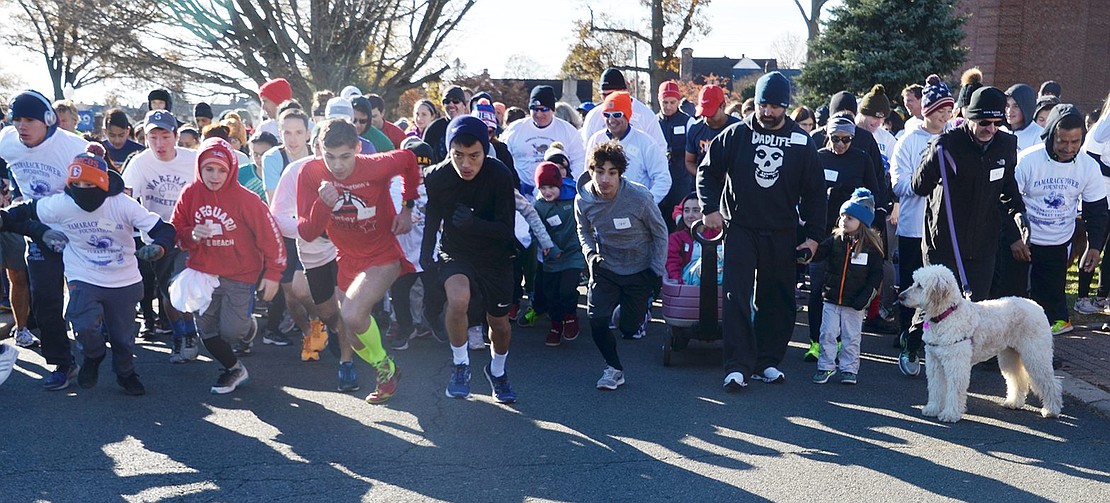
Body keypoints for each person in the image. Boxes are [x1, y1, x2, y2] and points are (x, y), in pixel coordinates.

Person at [1, 144, 176, 395]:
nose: (83, 191)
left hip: (123, 278)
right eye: (77, 185)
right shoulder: (61, 203)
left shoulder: (122, 204)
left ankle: (126, 374)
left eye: (89, 185)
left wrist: (160, 247)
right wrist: (4, 218)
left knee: (122, 337)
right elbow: (23, 212)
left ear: (103, 184)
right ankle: (93, 356)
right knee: (83, 325)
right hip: (83, 275)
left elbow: (163, 229)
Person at [697, 72, 826, 389]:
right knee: (736, 295)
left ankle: (767, 361)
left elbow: (815, 192)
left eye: (775, 107)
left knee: (779, 298)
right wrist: (710, 209)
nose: (768, 112)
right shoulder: (736, 134)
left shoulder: (800, 141)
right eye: (763, 104)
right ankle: (737, 365)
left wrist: (813, 236)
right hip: (740, 227)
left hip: (782, 230)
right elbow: (708, 172)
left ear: (787, 106)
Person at [297, 119, 418, 403]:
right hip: (347, 259)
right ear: (319, 150)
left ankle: (385, 369)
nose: (337, 166)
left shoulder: (376, 165)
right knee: (349, 332)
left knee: (352, 314)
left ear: (358, 148)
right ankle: (386, 368)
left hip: (383, 254)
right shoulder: (311, 172)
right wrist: (322, 204)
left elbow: (410, 160)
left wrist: (407, 208)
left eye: (345, 157)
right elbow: (307, 231)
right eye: (330, 157)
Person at [171, 138, 285, 394]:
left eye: (222, 169)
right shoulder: (190, 193)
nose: (215, 176)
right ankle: (233, 368)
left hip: (240, 274)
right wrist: (191, 234)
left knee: (231, 330)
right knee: (207, 331)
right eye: (209, 168)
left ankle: (247, 329)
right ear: (199, 167)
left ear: (231, 169)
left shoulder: (247, 199)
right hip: (204, 272)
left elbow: (271, 235)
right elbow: (176, 229)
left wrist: (274, 274)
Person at [422, 115, 518, 403]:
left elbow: (506, 230)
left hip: (495, 255)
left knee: (498, 324)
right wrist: (425, 255)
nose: (466, 164)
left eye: (474, 156)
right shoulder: (437, 177)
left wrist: (474, 223)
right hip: (457, 251)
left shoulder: (500, 174)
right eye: (458, 155)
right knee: (459, 299)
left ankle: (497, 371)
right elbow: (431, 220)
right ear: (448, 150)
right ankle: (461, 364)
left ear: (485, 151)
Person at [0, 90, 90, 390]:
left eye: (29, 120)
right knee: (46, 298)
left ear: (49, 121)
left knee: (87, 297)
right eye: (17, 120)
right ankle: (63, 362)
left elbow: (106, 189)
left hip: (79, 226)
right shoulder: (8, 140)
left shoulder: (75, 146)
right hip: (36, 224)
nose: (22, 126)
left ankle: (100, 342)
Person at [911, 86, 1026, 304]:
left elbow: (1008, 188)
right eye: (984, 122)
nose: (991, 129)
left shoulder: (1006, 145)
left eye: (997, 123)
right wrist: (932, 159)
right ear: (968, 117)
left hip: (983, 246)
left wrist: (1019, 212)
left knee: (974, 311)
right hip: (945, 243)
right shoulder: (947, 144)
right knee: (936, 309)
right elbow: (919, 188)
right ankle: (914, 337)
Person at [577, 141, 667, 389]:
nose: (605, 179)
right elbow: (582, 230)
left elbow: (660, 233)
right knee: (596, 320)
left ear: (620, 174)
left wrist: (656, 271)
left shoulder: (639, 197)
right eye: (599, 171)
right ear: (592, 170)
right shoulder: (583, 199)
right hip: (606, 266)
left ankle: (627, 312)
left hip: (639, 268)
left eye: (612, 173)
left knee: (629, 327)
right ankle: (614, 369)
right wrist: (590, 254)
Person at [1013, 104, 1107, 335]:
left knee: (1051, 312)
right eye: (1063, 141)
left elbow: (1096, 210)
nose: (1069, 148)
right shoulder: (1027, 160)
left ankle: (1042, 353)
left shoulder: (1088, 166)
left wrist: (1094, 246)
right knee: (1015, 302)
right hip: (1023, 243)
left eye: (1075, 142)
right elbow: (1007, 202)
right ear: (1050, 134)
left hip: (1057, 243)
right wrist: (1015, 238)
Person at [122, 109, 201, 363]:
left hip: (188, 235)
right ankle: (180, 334)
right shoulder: (140, 163)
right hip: (156, 238)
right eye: (152, 137)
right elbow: (125, 198)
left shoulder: (193, 160)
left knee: (182, 286)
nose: (159, 144)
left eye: (165, 136)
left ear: (176, 136)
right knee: (168, 292)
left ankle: (190, 334)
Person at [890, 74, 953, 376]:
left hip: (944, 230)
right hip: (914, 227)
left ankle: (937, 340)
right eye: (940, 108)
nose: (945, 114)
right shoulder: (907, 141)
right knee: (912, 290)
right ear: (927, 110)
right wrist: (924, 183)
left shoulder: (955, 137)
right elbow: (898, 183)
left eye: (949, 108)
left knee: (938, 291)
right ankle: (909, 340)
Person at [802, 116, 879, 362]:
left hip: (851, 234)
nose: (841, 144)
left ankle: (844, 346)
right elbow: (804, 190)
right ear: (828, 136)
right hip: (822, 232)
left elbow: (874, 193)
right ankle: (816, 341)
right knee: (817, 290)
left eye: (846, 139)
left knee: (846, 288)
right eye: (836, 139)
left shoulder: (861, 159)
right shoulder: (819, 156)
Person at [811, 188, 883, 385]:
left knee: (851, 337)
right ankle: (825, 366)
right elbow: (818, 254)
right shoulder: (834, 241)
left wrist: (865, 298)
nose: (844, 220)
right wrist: (807, 251)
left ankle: (849, 369)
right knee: (827, 333)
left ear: (862, 222)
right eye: (843, 216)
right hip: (832, 299)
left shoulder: (871, 247)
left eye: (850, 217)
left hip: (854, 303)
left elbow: (876, 275)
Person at [584, 91, 671, 205]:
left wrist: (646, 204)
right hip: (602, 209)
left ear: (627, 115)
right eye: (607, 115)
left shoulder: (645, 142)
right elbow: (587, 175)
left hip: (636, 210)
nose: (611, 119)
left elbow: (663, 178)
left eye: (617, 114)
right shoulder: (596, 139)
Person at [502, 85, 586, 198]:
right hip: (522, 191)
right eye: (535, 109)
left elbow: (579, 162)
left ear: (552, 109)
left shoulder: (568, 131)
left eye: (544, 109)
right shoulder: (515, 129)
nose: (539, 114)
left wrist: (565, 185)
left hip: (557, 193)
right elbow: (503, 158)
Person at [533, 161, 583, 347]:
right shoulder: (538, 206)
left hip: (573, 254)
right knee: (551, 294)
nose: (547, 192)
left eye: (552, 187)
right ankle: (556, 325)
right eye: (543, 187)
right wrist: (551, 249)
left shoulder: (573, 199)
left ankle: (570, 316)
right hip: (552, 257)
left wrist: (578, 247)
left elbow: (581, 226)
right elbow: (537, 230)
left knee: (567, 290)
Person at [580, 68, 667, 150]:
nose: (608, 99)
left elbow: (659, 148)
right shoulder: (593, 116)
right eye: (604, 95)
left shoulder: (645, 115)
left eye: (611, 94)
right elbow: (585, 151)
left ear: (625, 91)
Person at [685, 85, 740, 193]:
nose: (707, 118)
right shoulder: (695, 129)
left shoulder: (738, 129)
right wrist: (703, 175)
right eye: (703, 114)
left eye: (711, 113)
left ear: (723, 106)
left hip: (731, 189)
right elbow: (689, 161)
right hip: (704, 189)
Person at [658, 81, 695, 233]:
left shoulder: (688, 121)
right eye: (664, 102)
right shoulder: (653, 122)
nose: (668, 107)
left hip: (681, 180)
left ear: (678, 101)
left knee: (679, 223)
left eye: (672, 102)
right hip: (659, 179)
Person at [665, 192, 721, 285]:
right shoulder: (676, 238)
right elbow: (672, 264)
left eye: (695, 210)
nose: (690, 215)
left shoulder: (718, 235)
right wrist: (679, 284)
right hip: (687, 286)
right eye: (686, 210)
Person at [422, 86, 468, 163]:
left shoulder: (471, 126)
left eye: (456, 101)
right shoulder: (434, 128)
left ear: (464, 105)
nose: (451, 105)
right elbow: (424, 156)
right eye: (446, 101)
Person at [1004, 84, 1044, 151]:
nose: (1010, 111)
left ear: (1026, 108)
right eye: (1007, 105)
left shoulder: (1039, 135)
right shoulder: (1000, 131)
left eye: (1016, 106)